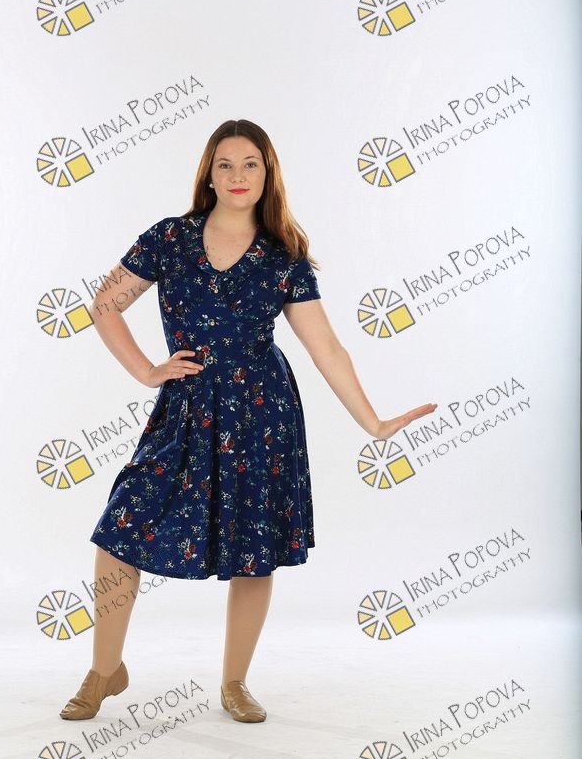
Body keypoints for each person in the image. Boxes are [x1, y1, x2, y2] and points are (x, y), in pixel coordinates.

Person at [59, 119, 437, 725]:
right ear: (209, 174)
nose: (238, 176)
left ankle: (234, 682)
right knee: (120, 527)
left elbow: (327, 348)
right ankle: (105, 669)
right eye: (226, 164)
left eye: (251, 164)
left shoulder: (283, 256)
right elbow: (105, 304)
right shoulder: (170, 237)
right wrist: (147, 371)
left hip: (262, 415)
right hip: (186, 411)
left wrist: (372, 422)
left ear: (267, 174)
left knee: (254, 549)